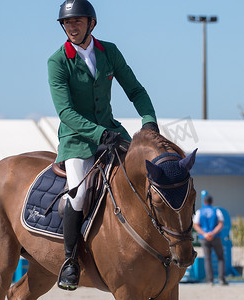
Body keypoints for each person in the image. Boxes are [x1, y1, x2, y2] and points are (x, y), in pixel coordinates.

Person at [48, 0, 159, 290]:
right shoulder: (57, 61)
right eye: (67, 23)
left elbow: (135, 90)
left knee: (142, 177)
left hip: (112, 133)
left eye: (77, 22)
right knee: (79, 193)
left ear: (91, 23)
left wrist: (148, 120)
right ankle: (70, 262)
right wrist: (99, 134)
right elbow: (66, 113)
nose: (72, 27)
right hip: (76, 140)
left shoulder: (109, 52)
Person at [193, 193, 229, 285]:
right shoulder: (216, 211)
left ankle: (210, 280)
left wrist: (205, 234)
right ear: (211, 202)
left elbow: (196, 225)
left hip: (204, 238)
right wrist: (212, 233)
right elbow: (221, 224)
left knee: (207, 259)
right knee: (220, 258)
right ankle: (221, 279)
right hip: (216, 237)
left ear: (204, 202)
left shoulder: (199, 212)